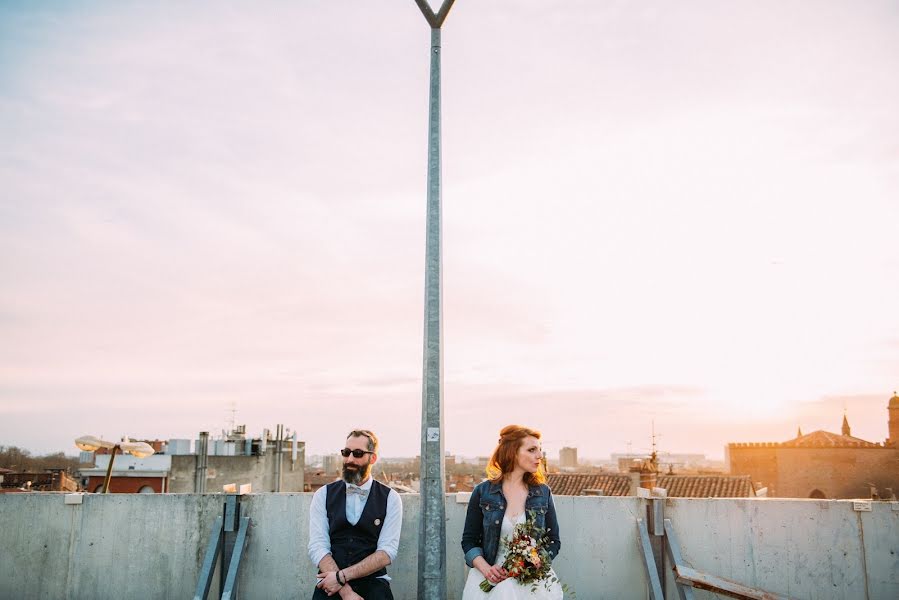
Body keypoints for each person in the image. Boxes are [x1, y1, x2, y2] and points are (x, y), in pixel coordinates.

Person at [461, 425, 563, 600]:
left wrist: (535, 563)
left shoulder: (543, 493)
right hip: (490, 578)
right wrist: (487, 570)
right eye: (532, 450)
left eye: (540, 450)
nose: (539, 455)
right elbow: (469, 541)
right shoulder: (483, 492)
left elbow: (554, 540)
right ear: (512, 452)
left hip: (532, 583)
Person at [308, 429, 402, 600]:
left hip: (373, 584)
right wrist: (345, 591)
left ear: (372, 458)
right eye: (346, 452)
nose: (350, 459)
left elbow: (387, 552)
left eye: (358, 454)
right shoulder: (323, 494)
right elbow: (317, 546)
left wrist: (342, 577)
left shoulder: (391, 498)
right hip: (329, 583)